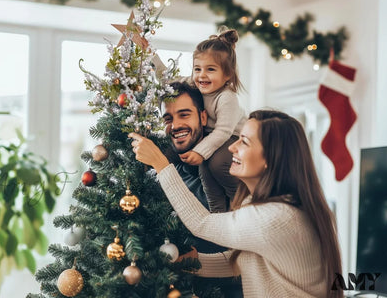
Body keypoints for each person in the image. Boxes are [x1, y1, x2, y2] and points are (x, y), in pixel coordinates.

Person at [129, 109, 344, 298]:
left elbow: (201, 223)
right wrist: (195, 262)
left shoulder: (276, 217)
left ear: (271, 158)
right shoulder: (271, 207)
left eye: (244, 142)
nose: (232, 147)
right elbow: (247, 259)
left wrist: (160, 164)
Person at [160, 81, 243, 298]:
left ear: (203, 118)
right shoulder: (164, 171)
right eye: (168, 119)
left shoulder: (230, 169)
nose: (175, 125)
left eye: (184, 114)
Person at [178, 28, 247, 213]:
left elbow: (223, 131)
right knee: (204, 169)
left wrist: (200, 151)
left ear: (227, 75)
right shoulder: (195, 84)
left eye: (210, 70)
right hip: (214, 136)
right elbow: (169, 81)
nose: (202, 75)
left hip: (234, 137)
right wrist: (152, 59)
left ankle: (241, 202)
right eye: (197, 69)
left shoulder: (226, 97)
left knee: (217, 163)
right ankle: (217, 213)